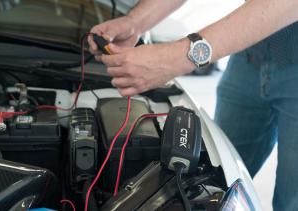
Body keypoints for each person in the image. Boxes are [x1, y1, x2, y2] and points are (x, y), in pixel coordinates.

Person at [88, 0, 298, 210]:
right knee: (217, 178)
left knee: (292, 199)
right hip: (249, 55)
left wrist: (177, 58)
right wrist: (134, 22)